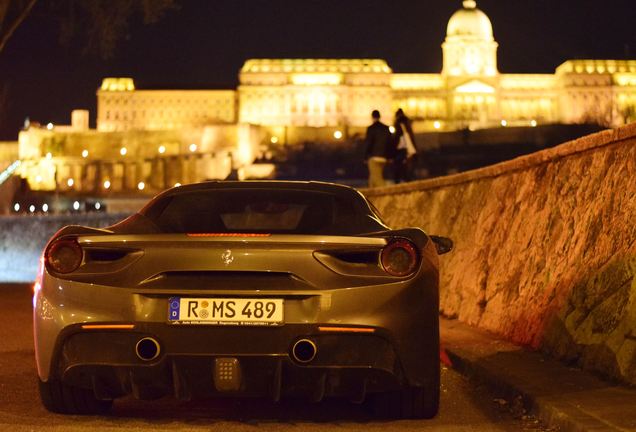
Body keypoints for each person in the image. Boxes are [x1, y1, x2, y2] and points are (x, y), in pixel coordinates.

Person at [364, 110, 393, 188]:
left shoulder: (371, 128)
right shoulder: (386, 128)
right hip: (384, 157)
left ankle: (385, 193)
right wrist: (390, 157)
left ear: (372, 117)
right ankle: (371, 196)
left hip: (374, 157)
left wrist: (365, 157)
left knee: (377, 178)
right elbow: (390, 143)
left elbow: (368, 144)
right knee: (372, 177)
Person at [393, 108, 418, 183]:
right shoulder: (408, 123)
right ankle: (408, 180)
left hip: (402, 148)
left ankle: (399, 182)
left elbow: (398, 137)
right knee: (408, 169)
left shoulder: (398, 123)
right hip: (410, 148)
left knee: (399, 168)